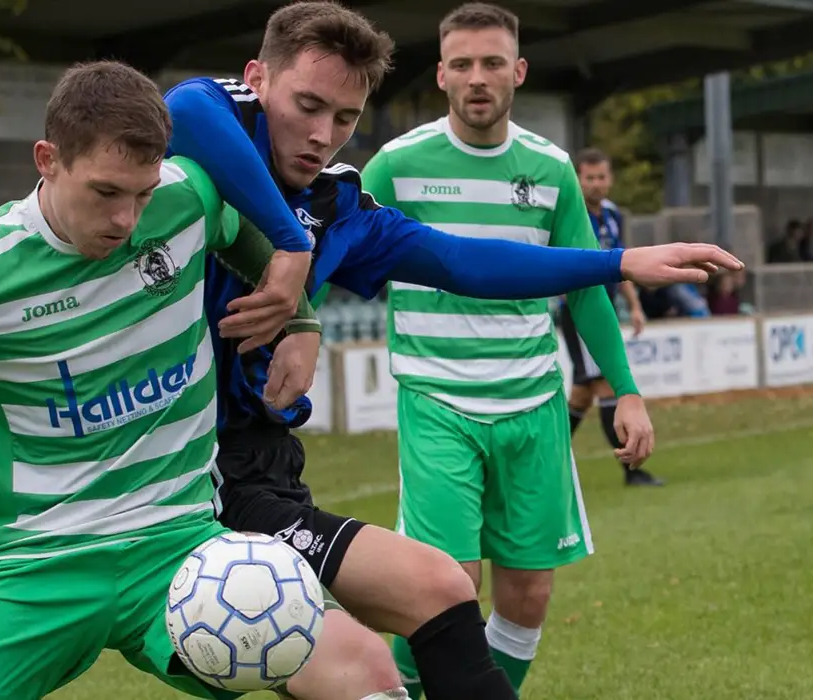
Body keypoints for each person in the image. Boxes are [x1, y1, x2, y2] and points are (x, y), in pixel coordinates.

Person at [163, 3, 742, 700]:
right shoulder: (208, 142)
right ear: (257, 79)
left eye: (345, 119)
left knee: (433, 595)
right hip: (182, 467)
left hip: (264, 465)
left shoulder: (341, 209)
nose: (322, 135)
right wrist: (289, 251)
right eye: (307, 105)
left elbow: (467, 262)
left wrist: (619, 261)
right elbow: (184, 106)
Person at [0, 60, 328, 700]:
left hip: (180, 540)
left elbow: (242, 235)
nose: (128, 220)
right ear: (47, 159)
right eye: (106, 193)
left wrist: (302, 320)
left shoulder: (186, 194)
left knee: (338, 659)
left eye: (142, 193)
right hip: (43, 558)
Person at [356, 4, 656, 694]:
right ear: (441, 76)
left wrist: (628, 391)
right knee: (444, 594)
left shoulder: (550, 171)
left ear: (518, 72)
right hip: (437, 403)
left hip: (533, 407)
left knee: (527, 599)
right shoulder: (397, 166)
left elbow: (587, 286)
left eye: (493, 63)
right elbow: (327, 245)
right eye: (462, 64)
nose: (477, 78)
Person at [561, 147, 664, 487]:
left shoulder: (613, 215)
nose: (595, 184)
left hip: (606, 311)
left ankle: (543, 462)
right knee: (606, 386)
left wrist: (633, 305)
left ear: (611, 179)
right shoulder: (570, 214)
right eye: (588, 178)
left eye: (601, 177)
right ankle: (631, 471)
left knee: (581, 394)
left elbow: (623, 263)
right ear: (578, 179)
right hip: (581, 313)